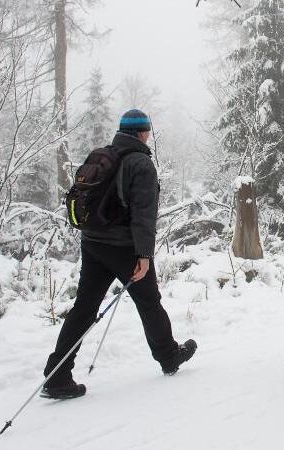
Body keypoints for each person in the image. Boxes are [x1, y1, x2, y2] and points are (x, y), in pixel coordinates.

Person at [41, 109, 196, 399]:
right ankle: (169, 355)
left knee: (84, 308)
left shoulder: (101, 155)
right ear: (141, 133)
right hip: (124, 248)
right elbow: (143, 215)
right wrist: (144, 256)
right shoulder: (141, 164)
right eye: (147, 130)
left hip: (92, 243)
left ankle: (57, 374)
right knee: (149, 302)